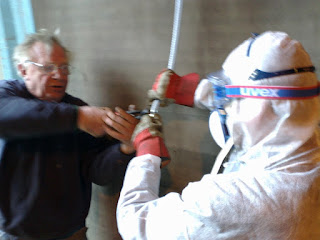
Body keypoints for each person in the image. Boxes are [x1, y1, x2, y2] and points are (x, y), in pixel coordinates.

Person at [116, 31, 320, 239]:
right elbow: (269, 99)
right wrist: (192, 91)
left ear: (263, 107)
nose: (225, 107)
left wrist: (146, 154)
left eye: (228, 96)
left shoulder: (222, 201)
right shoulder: (306, 138)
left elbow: (134, 223)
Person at [0, 29, 139, 240]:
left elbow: (98, 173)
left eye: (64, 67)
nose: (59, 75)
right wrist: (78, 118)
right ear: (23, 69)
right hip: (17, 234)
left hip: (71, 234)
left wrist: (126, 147)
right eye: (48, 67)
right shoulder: (8, 95)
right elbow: (10, 116)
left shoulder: (78, 108)